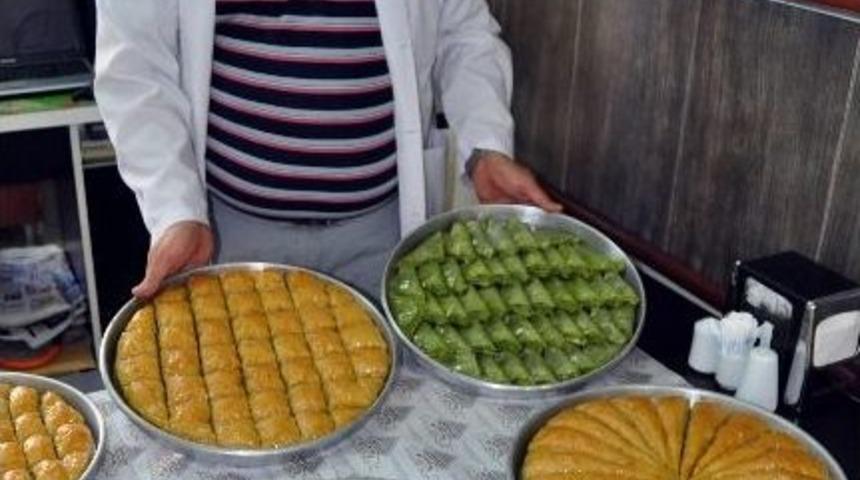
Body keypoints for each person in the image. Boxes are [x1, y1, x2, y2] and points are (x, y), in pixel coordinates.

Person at [94, 0, 561, 299]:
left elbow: (463, 34)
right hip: (229, 235)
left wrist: (485, 146)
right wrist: (175, 210)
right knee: (247, 410)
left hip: (381, 237)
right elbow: (137, 70)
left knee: (387, 412)